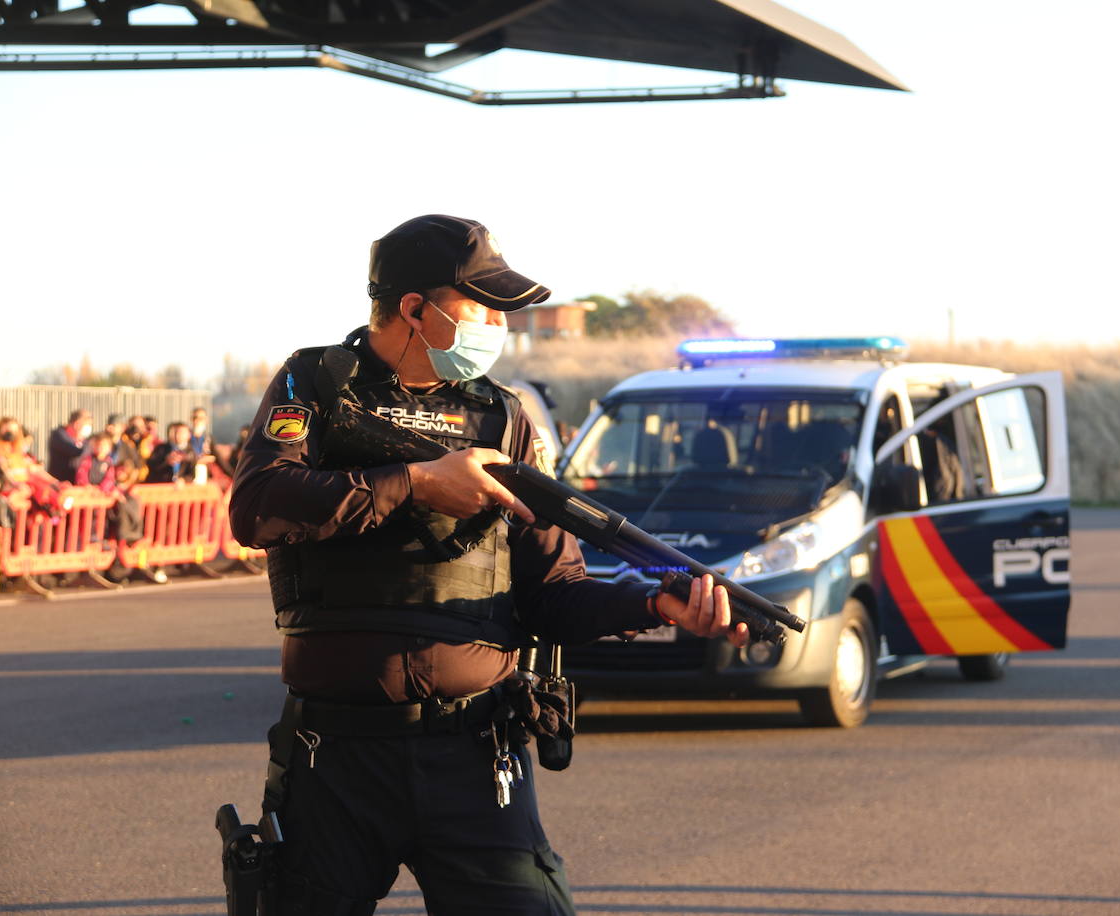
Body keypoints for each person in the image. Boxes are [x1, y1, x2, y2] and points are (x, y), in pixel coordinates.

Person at [229, 214, 748, 916]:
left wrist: (654, 603)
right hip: (336, 758)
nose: (499, 325)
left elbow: (554, 592)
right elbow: (256, 507)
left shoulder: (504, 420)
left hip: (474, 753)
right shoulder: (317, 384)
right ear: (415, 308)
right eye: (484, 306)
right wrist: (415, 484)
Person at [47, 409, 92, 483]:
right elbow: (76, 452)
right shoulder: (59, 436)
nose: (89, 428)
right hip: (60, 482)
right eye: (87, 425)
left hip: (78, 483)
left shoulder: (83, 440)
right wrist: (90, 446)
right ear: (76, 424)